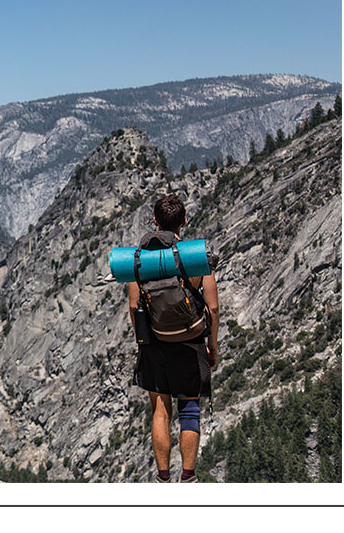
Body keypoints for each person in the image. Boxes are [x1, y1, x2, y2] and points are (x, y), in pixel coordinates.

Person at [128, 193, 219, 483]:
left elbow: (133, 305)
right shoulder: (195, 257)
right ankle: (188, 478)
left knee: (160, 411)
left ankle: (162, 478)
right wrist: (212, 344)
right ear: (184, 221)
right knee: (189, 407)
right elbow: (213, 306)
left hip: (155, 343)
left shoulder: (140, 260)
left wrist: (144, 341)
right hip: (190, 342)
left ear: (154, 221)